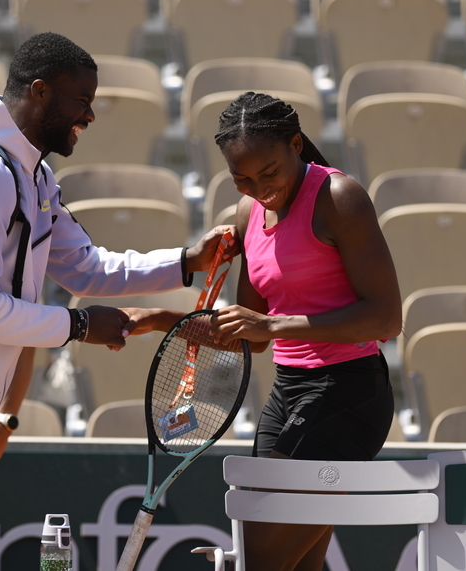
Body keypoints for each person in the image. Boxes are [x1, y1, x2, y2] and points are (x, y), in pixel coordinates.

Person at [0, 32, 230, 571]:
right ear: (39, 93)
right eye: (82, 100)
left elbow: (86, 265)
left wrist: (185, 261)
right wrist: (79, 326)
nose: (91, 115)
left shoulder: (31, 173)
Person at [132, 92, 402, 571]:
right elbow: (250, 336)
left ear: (296, 144)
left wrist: (273, 324)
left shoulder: (340, 198)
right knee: (297, 564)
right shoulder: (246, 213)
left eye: (269, 172)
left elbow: (386, 319)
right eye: (243, 179)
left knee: (259, 556)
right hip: (289, 393)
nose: (259, 188)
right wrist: (162, 321)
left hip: (350, 393)